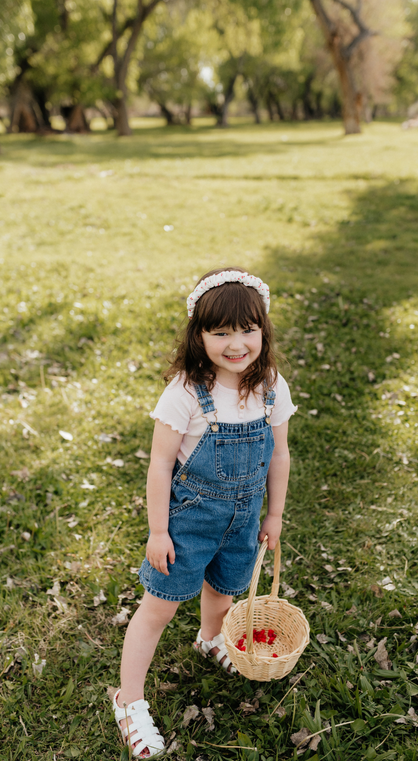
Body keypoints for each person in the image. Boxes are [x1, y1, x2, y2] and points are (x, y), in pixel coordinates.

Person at [113, 267, 296, 758]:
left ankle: (210, 638)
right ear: (199, 335)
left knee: (224, 591)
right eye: (220, 332)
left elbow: (278, 454)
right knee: (159, 607)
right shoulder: (186, 393)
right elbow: (159, 465)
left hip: (242, 520)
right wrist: (158, 531)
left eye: (247, 329)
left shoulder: (271, 386)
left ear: (263, 330)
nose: (236, 343)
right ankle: (129, 700)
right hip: (189, 524)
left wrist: (273, 515)